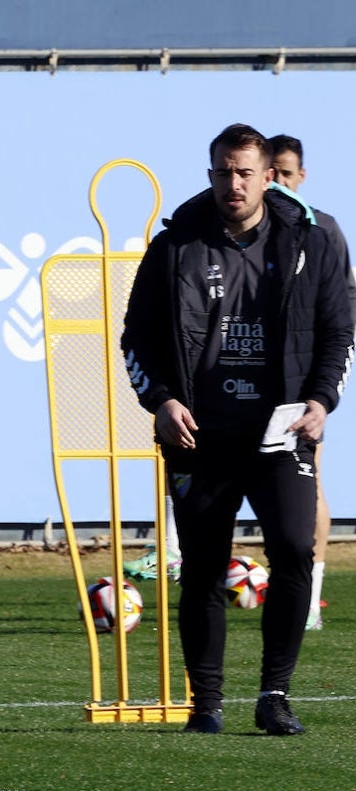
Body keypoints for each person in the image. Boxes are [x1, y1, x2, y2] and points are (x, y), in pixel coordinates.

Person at [120, 123, 354, 736]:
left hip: (281, 432)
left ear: (267, 176)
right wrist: (163, 402)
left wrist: (322, 401)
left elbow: (339, 333)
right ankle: (207, 704)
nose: (235, 183)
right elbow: (135, 339)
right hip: (203, 434)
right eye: (224, 171)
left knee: (295, 551)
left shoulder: (313, 238)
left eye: (246, 172)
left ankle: (274, 695)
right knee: (201, 566)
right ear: (210, 175)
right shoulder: (175, 247)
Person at [268, 134, 356, 632]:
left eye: (286, 171)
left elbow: (345, 305)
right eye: (271, 171)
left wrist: (325, 376)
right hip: (248, 385)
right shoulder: (244, 229)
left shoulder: (323, 229)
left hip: (302, 386)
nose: (278, 181)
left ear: (302, 175)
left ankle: (308, 596)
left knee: (309, 479)